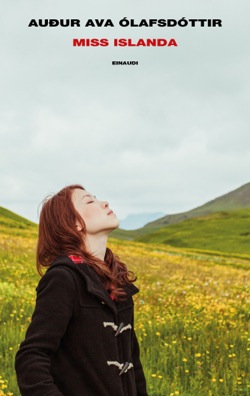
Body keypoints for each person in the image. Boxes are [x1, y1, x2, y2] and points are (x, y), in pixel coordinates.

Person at [15, 184, 148, 396]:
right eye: (89, 201)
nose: (104, 202)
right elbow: (31, 357)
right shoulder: (64, 278)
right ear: (74, 223)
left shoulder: (118, 281)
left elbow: (132, 363)